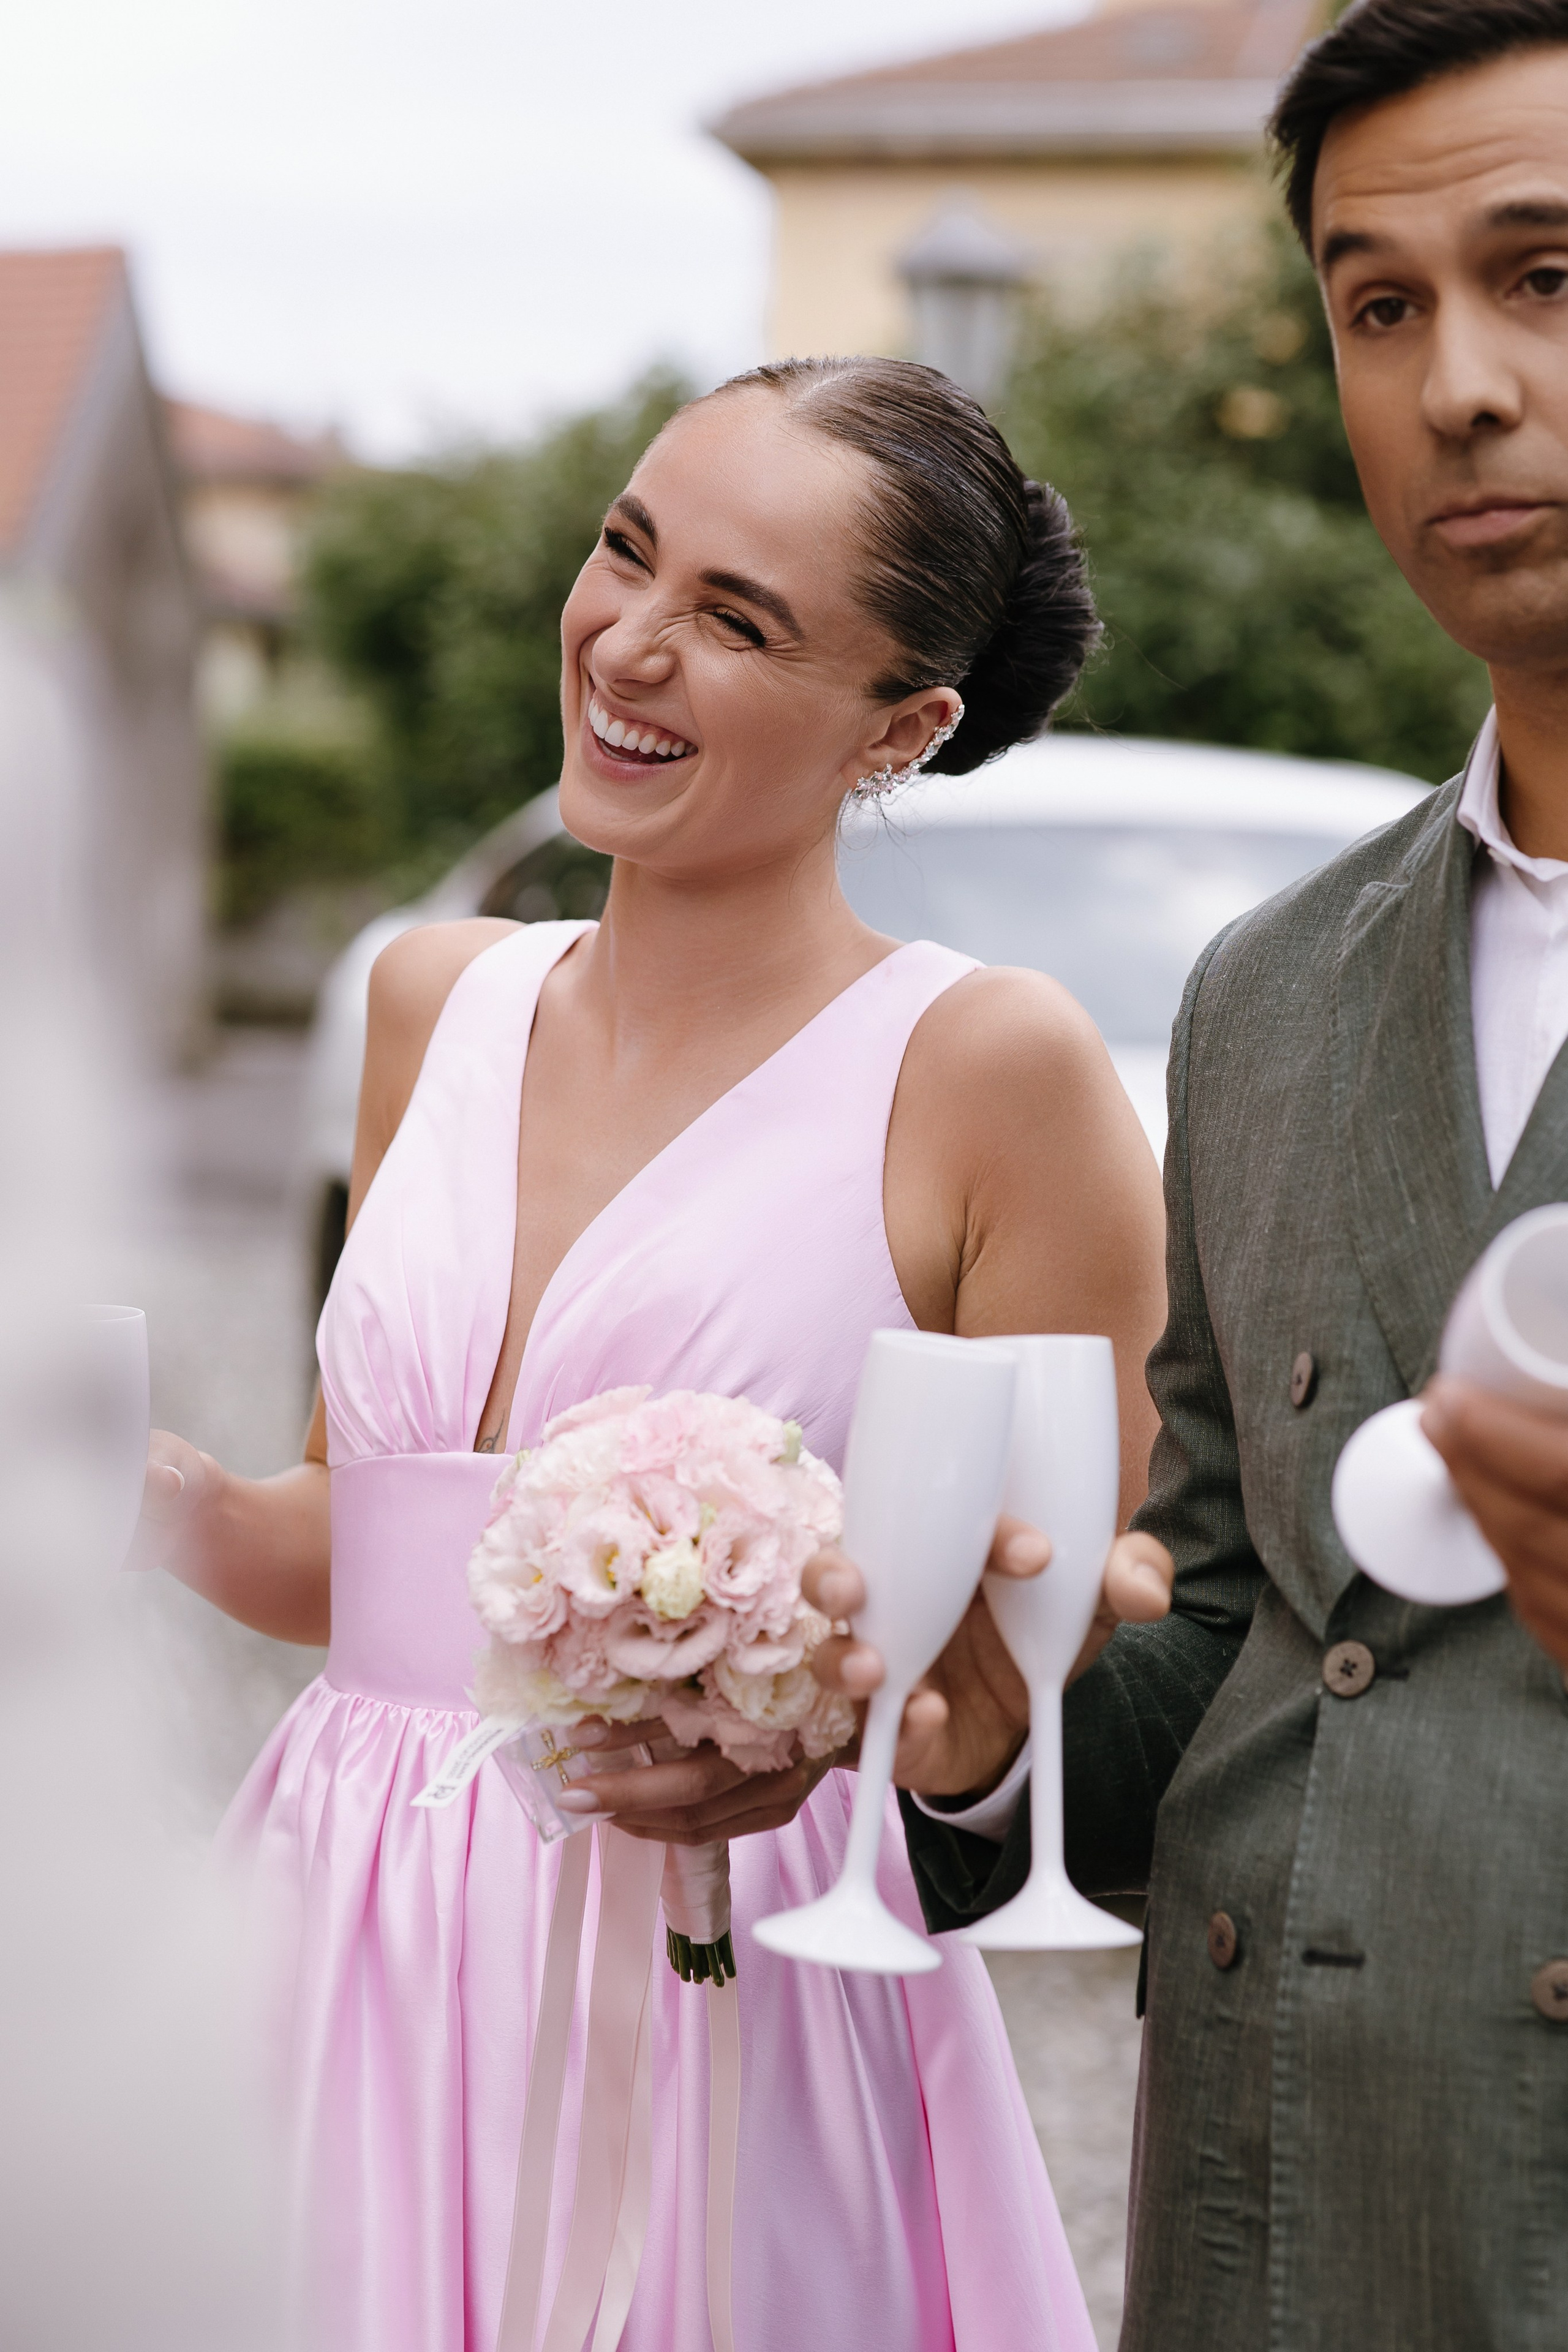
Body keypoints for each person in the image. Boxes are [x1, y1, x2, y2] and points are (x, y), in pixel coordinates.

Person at [139, 356, 1173, 2352]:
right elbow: (361, 1560)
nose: (629, 640)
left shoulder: (993, 1070)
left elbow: (1057, 1657)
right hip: (335, 1921)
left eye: (738, 619)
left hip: (729, 1966)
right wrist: (143, 1492)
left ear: (909, 725)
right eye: (628, 552)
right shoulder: (432, 996)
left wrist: (855, 1737)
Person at [809, 5, 1568, 2345]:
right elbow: (1247, 1648)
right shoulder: (1271, 994)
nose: (1455, 382)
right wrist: (981, 1734)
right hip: (1270, 2243)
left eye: (1548, 273)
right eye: (1378, 302)